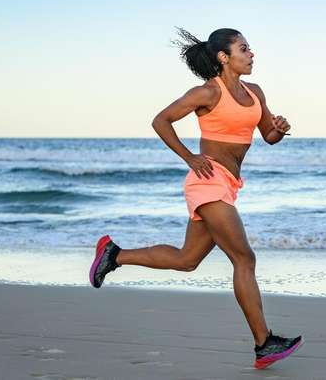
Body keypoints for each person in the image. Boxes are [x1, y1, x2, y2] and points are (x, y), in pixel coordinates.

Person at [88, 28, 302, 369]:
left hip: (228, 183)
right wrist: (189, 157)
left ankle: (114, 255)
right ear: (224, 57)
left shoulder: (255, 92)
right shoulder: (206, 93)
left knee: (187, 260)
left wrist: (279, 127)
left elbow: (269, 136)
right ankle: (264, 342)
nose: (252, 54)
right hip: (208, 181)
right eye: (244, 49)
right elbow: (161, 120)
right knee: (244, 259)